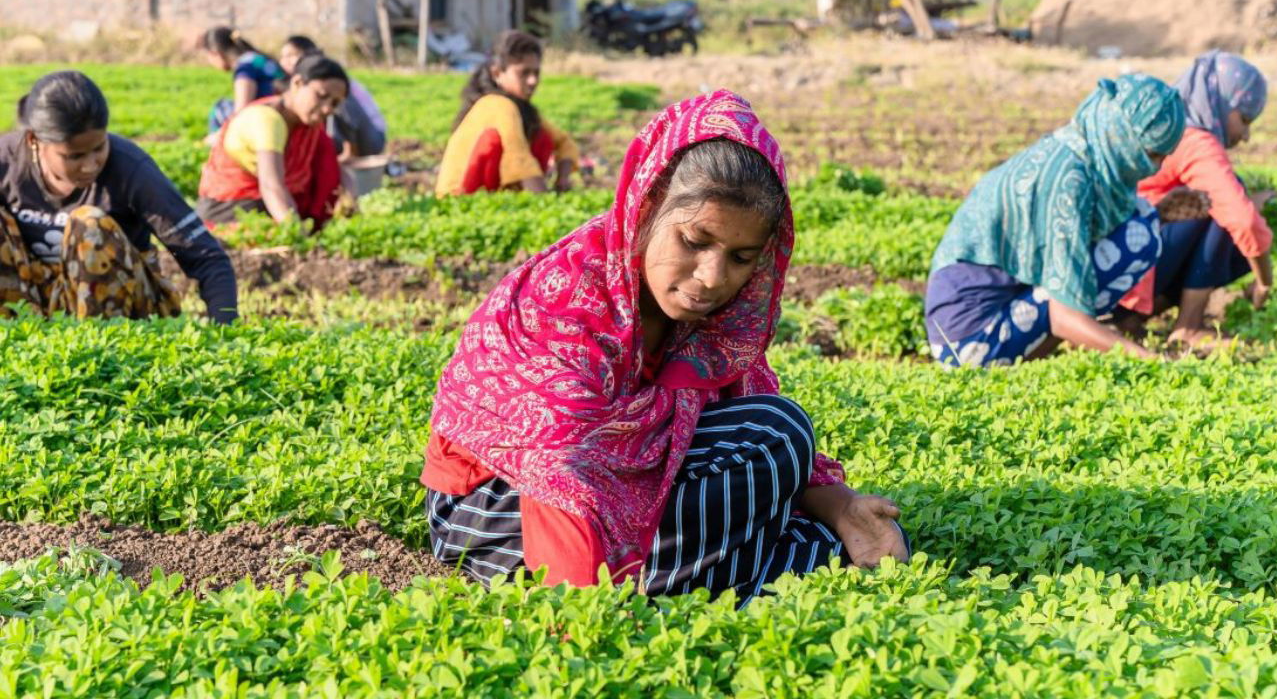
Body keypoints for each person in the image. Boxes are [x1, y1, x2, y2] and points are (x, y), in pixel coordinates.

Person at [423, 90, 909, 603]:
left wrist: (841, 507)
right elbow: (560, 473)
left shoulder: (719, 318)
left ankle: (697, 577)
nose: (712, 278)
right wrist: (585, 624)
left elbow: (743, 423)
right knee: (776, 439)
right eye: (695, 242)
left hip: (627, 481)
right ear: (648, 206)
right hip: (500, 509)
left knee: (793, 466)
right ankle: (681, 582)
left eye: (742, 257)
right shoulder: (568, 298)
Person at [924, 74, 1197, 367]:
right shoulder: (1069, 181)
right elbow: (1065, 317)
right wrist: (1152, 362)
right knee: (1138, 239)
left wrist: (1160, 215)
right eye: (1150, 154)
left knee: (1142, 223)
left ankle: (1030, 353)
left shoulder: (1079, 152)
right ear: (1122, 135)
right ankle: (1019, 363)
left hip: (998, 309)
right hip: (968, 342)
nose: (1154, 168)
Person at [0, 71, 237, 323]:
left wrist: (224, 331)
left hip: (122, 315)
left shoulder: (131, 168)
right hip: (31, 304)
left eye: (99, 147)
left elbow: (207, 258)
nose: (91, 165)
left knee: (89, 225)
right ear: (34, 140)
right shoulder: (7, 162)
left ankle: (97, 345)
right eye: (75, 156)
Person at [1115, 51, 1273, 346]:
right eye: (1245, 118)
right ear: (1221, 102)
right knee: (1220, 207)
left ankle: (1130, 318)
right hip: (1124, 274)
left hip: (1113, 270)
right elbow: (1241, 218)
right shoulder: (1194, 139)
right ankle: (1189, 325)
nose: (1247, 135)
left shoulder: (1169, 125)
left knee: (1222, 212)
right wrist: (1264, 281)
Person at [197, 54, 347, 232]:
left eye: (335, 103)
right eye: (321, 96)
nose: (327, 108)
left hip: (273, 206)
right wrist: (295, 233)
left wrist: (349, 194)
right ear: (297, 83)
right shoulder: (267, 120)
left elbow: (333, 170)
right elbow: (271, 185)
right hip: (232, 210)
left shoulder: (308, 125)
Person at [434, 30, 580, 197]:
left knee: (543, 137)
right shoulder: (498, 104)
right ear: (497, 73)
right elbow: (518, 155)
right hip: (458, 197)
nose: (533, 81)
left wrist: (562, 180)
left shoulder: (520, 107)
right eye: (524, 73)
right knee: (495, 141)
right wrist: (546, 200)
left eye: (536, 73)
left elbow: (563, 142)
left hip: (489, 196)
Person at [279, 35, 388, 161]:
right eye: (283, 56)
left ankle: (351, 154)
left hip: (370, 137)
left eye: (292, 55)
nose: (286, 61)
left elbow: (347, 114)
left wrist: (349, 153)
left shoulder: (333, 82)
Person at [199, 26, 286, 136]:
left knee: (219, 108)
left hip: (267, 117)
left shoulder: (245, 67)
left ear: (215, 53)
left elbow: (241, 111)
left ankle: (219, 146)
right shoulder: (259, 58)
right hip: (280, 111)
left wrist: (220, 135)